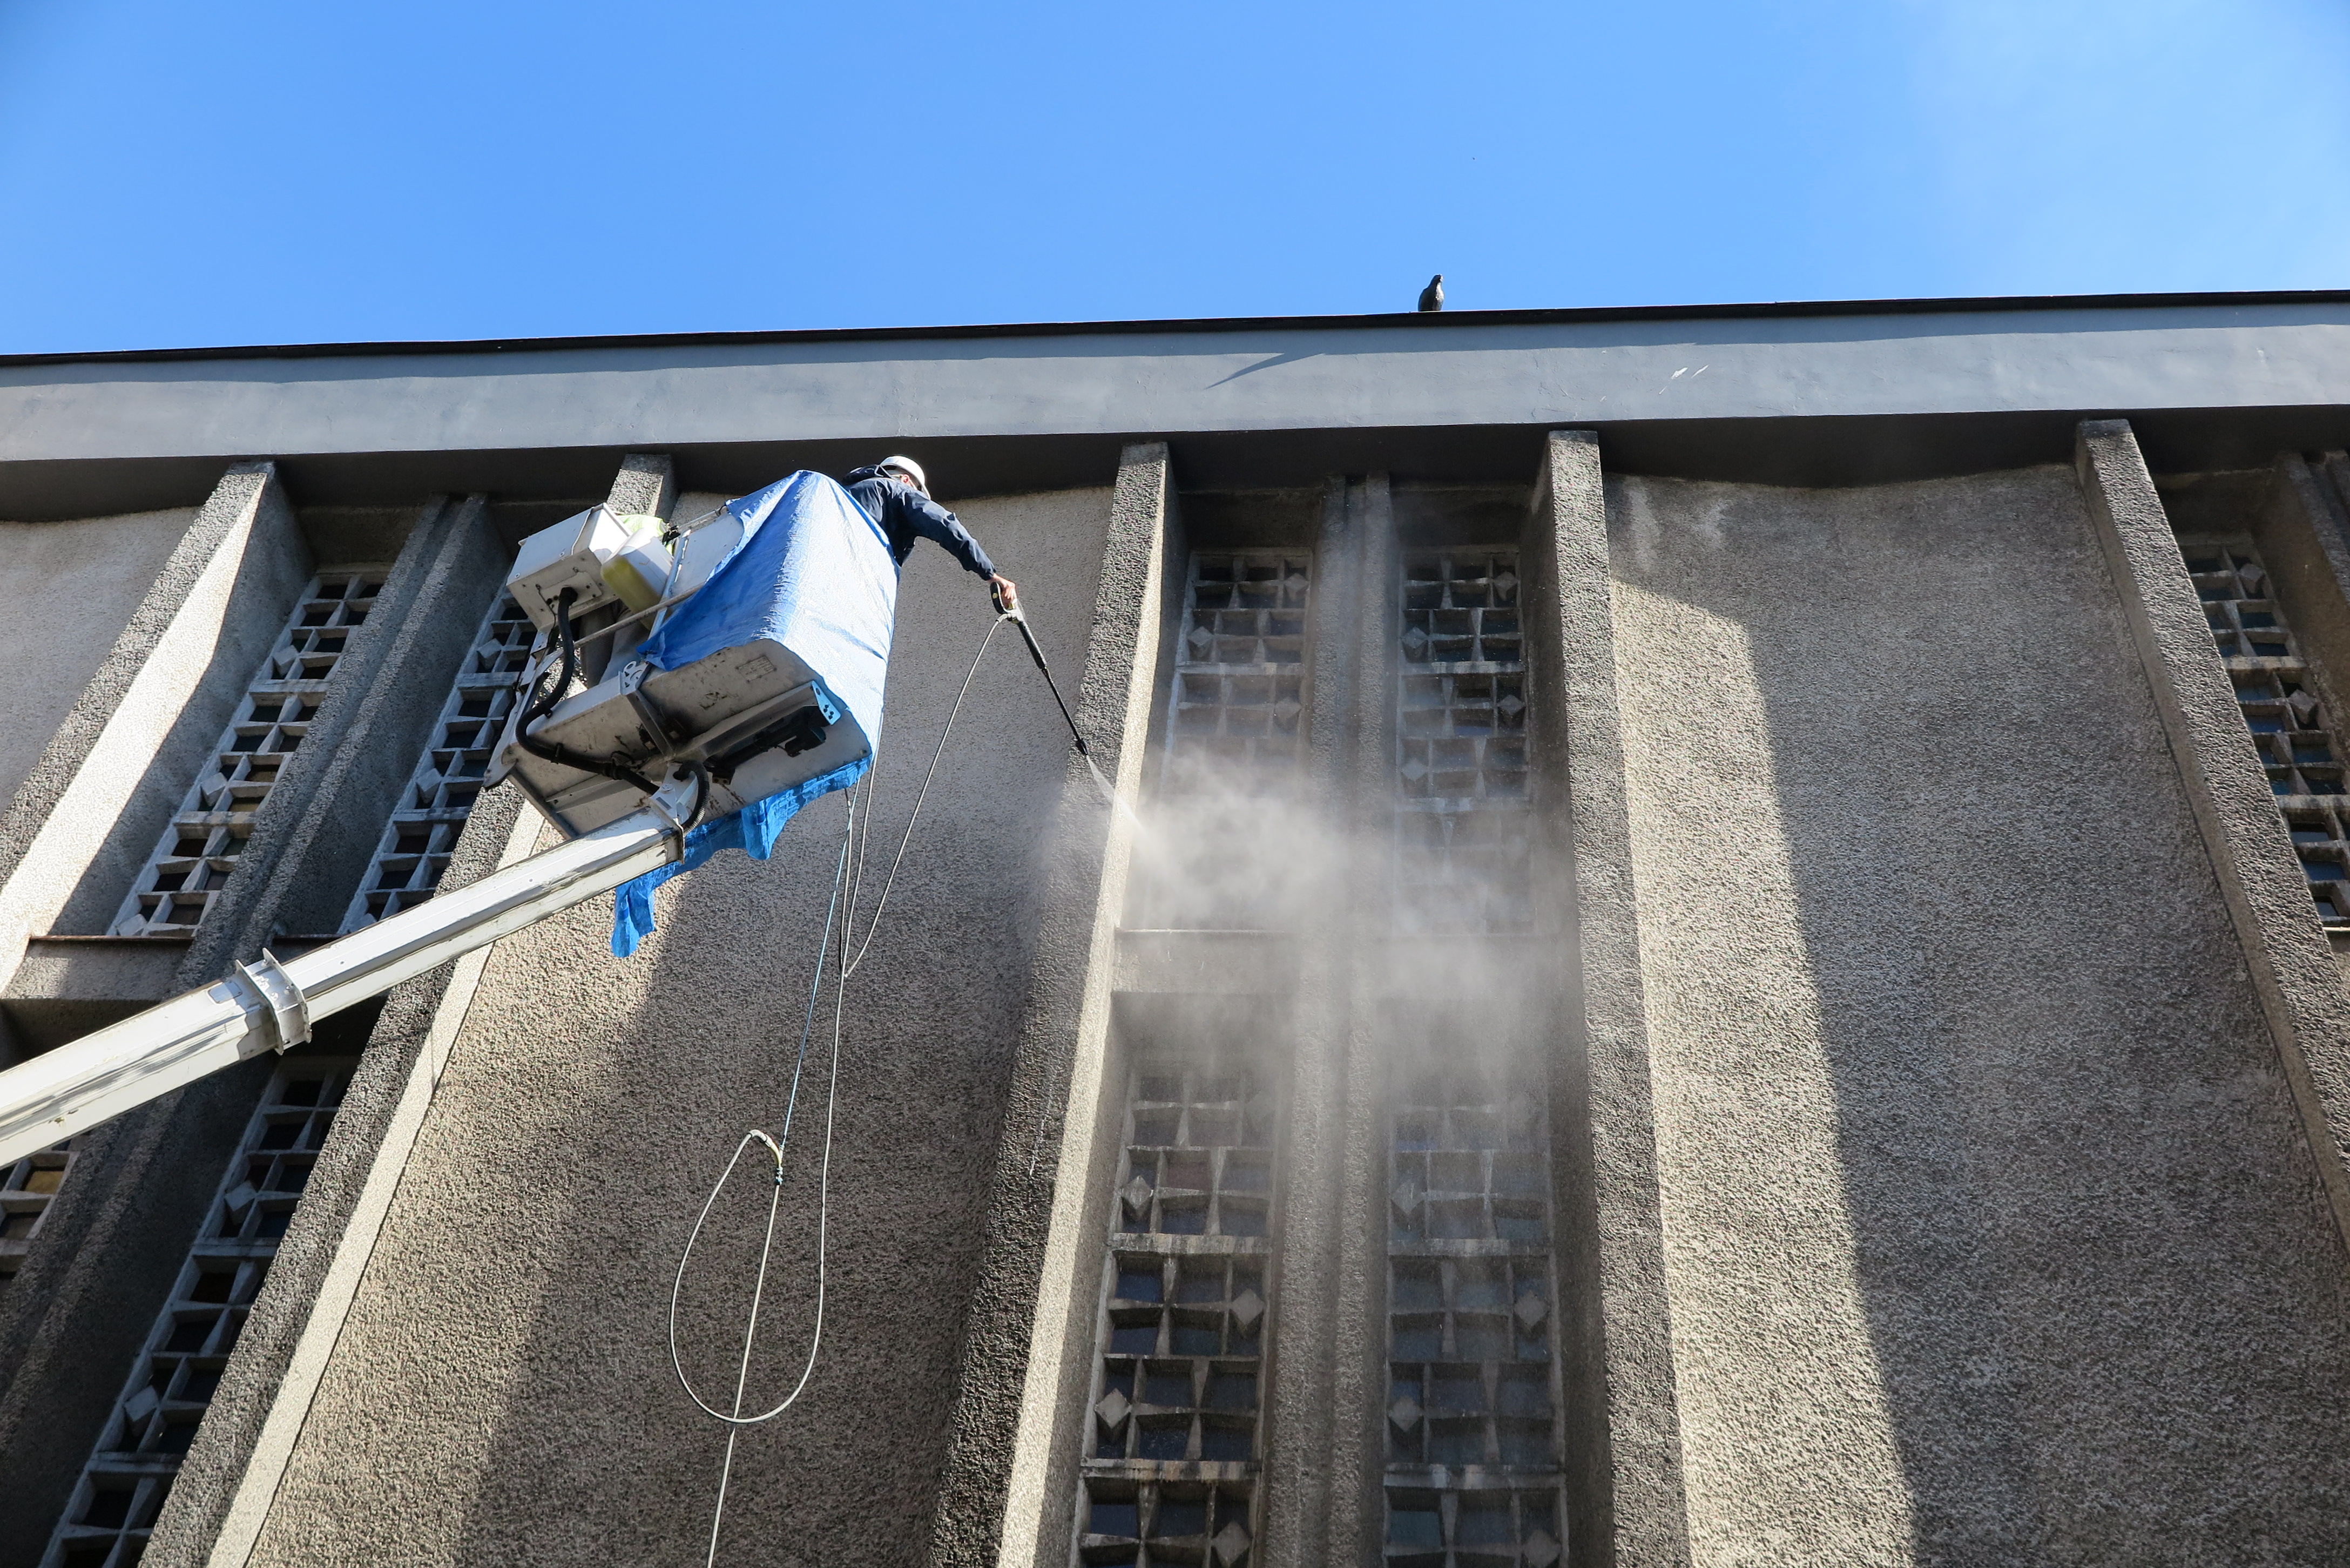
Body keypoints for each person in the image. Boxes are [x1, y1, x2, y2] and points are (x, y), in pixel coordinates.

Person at [843, 456, 1018, 611]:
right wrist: (989, 575)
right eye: (918, 491)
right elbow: (945, 525)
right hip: (861, 581)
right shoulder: (899, 491)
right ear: (905, 479)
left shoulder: (840, 494)